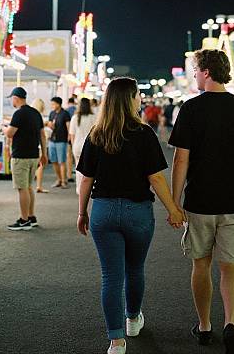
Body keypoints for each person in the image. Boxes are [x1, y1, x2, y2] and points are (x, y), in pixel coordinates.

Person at [76, 77, 185, 354]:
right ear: (130, 99)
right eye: (137, 94)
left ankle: (116, 341)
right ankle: (133, 320)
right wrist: (173, 208)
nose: (139, 98)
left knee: (111, 277)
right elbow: (157, 178)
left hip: (103, 211)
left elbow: (86, 180)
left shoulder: (96, 134)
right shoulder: (144, 133)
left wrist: (82, 212)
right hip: (138, 211)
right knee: (134, 269)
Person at [169, 49, 234, 354]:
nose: (194, 75)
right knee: (232, 266)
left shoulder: (191, 109)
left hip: (199, 202)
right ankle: (231, 324)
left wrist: (174, 201)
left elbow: (181, 159)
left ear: (207, 71)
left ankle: (205, 325)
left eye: (196, 70)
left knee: (201, 264)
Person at [4, 87, 47, 231]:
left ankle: (23, 220)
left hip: (20, 156)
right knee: (28, 187)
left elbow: (10, 133)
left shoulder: (18, 114)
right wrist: (44, 154)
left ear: (16, 98)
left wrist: (3, 128)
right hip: (34, 155)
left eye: (12, 98)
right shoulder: (36, 113)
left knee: (22, 188)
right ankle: (31, 216)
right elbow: (42, 135)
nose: (12, 101)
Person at [69, 97, 96, 195]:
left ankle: (79, 189)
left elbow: (72, 135)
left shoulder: (75, 118)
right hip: (90, 146)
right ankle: (90, 189)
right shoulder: (93, 117)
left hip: (77, 146)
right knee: (90, 169)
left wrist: (73, 147)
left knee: (78, 169)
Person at [46, 97, 71, 188]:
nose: (52, 106)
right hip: (52, 140)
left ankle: (64, 181)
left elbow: (69, 127)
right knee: (54, 161)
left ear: (58, 104)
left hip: (61, 140)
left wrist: (69, 138)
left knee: (62, 161)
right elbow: (50, 126)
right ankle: (59, 179)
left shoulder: (65, 114)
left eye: (53, 104)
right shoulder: (51, 114)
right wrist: (50, 125)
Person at [31, 98, 49, 193]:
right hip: (39, 144)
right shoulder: (39, 116)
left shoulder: (30, 115)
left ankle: (33, 184)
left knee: (34, 164)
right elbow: (42, 134)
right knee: (41, 165)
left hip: (31, 144)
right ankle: (39, 186)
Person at [66, 95, 78, 182]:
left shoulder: (66, 111)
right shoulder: (77, 110)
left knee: (69, 156)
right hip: (78, 136)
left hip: (70, 135)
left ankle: (69, 174)